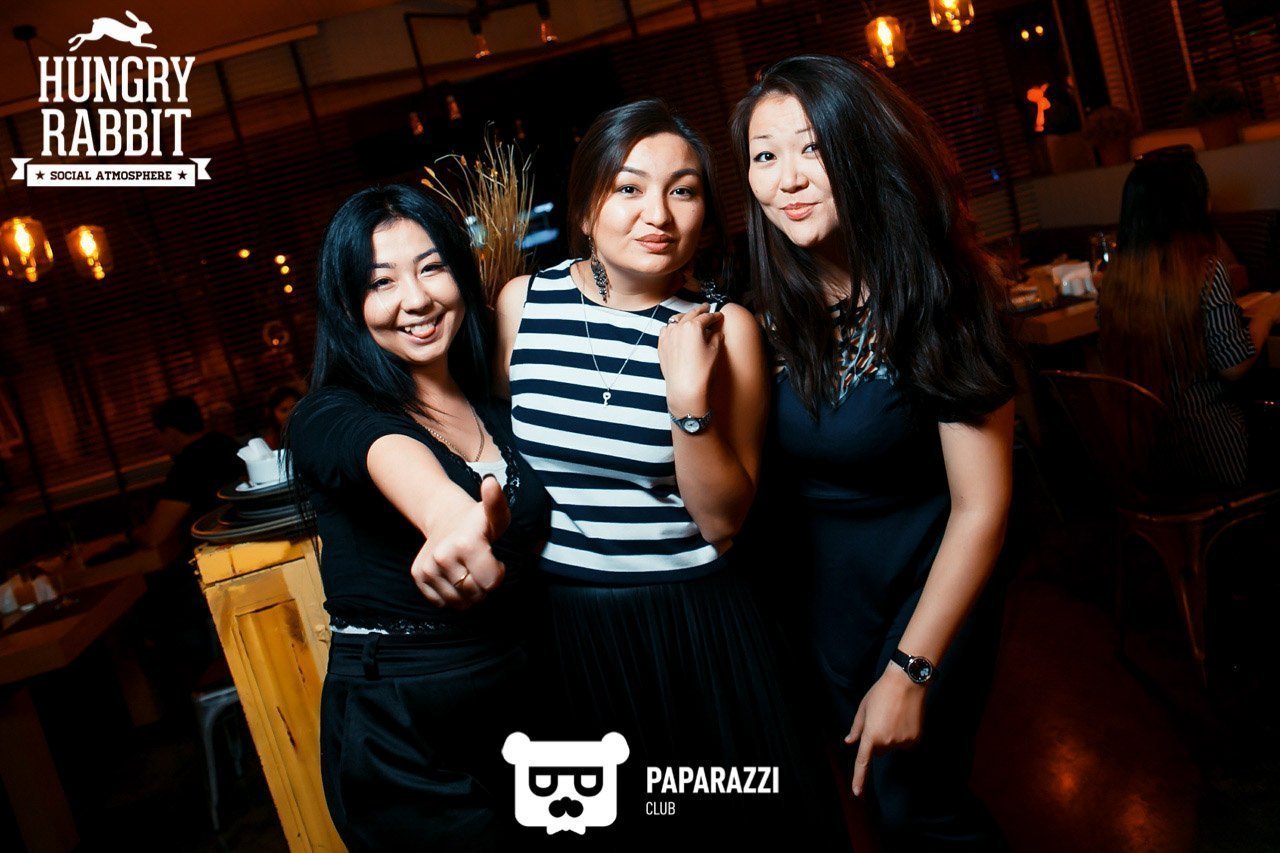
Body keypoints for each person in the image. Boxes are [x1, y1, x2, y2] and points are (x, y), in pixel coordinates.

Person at [495, 99, 829, 844]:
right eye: (629, 187)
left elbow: (723, 520)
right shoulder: (522, 304)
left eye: (683, 190)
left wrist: (687, 402)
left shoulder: (726, 327)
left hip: (694, 625)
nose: (659, 214)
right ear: (586, 206)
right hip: (568, 632)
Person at [731, 55, 1016, 849]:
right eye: (764, 154)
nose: (788, 178)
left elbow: (983, 505)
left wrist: (911, 668)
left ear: (861, 151)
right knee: (880, 815)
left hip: (928, 587)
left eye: (813, 148)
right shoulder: (764, 315)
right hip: (827, 609)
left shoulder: (944, 294)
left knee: (918, 802)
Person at [286, 184, 549, 851]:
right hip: (403, 732)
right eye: (381, 282)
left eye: (432, 268)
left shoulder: (495, 408)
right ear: (348, 304)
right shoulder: (329, 412)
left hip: (522, 711)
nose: (417, 300)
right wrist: (447, 512)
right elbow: (386, 452)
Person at [1098, 145, 1280, 488]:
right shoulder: (1204, 270)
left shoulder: (1114, 281)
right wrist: (1267, 313)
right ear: (1190, 206)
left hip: (1147, 467)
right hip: (1214, 455)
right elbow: (1234, 365)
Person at [131, 395, 243, 549]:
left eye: (158, 434)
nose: (158, 441)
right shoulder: (226, 443)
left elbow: (154, 536)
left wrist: (133, 534)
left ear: (170, 432)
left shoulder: (186, 467)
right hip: (251, 534)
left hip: (220, 548)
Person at [261, 384, 301, 449]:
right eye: (284, 410)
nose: (290, 414)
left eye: (294, 408)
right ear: (272, 414)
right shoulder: (267, 445)